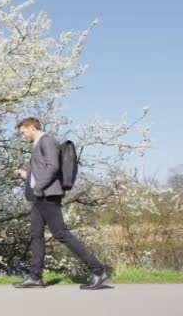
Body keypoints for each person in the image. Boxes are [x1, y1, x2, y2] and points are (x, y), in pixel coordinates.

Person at [12, 117, 110, 290]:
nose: (23, 136)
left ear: (32, 127)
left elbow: (53, 167)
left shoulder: (47, 140)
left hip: (47, 195)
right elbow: (43, 170)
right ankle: (35, 277)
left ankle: (98, 270)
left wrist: (39, 188)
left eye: (23, 132)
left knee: (61, 234)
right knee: (36, 234)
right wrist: (27, 175)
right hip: (40, 195)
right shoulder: (38, 143)